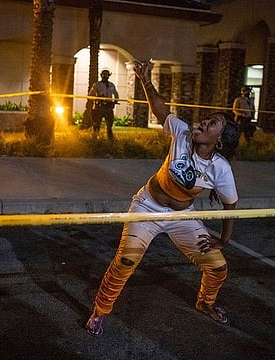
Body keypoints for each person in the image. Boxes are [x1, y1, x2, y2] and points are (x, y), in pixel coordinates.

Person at [85, 59, 240, 336]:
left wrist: (224, 240)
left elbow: (231, 205)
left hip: (182, 218)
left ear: (219, 141)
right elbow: (160, 110)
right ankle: (99, 311)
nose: (204, 121)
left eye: (213, 122)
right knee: (125, 262)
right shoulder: (181, 133)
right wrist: (145, 79)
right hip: (147, 207)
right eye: (209, 118)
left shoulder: (220, 168)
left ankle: (206, 303)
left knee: (217, 266)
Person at [89, 69, 119, 138]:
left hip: (108, 107)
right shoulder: (97, 85)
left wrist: (115, 101)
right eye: (103, 74)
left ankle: (110, 139)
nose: (105, 76)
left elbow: (116, 94)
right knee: (96, 124)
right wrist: (98, 98)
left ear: (109, 76)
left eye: (106, 74)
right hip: (99, 107)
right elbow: (90, 95)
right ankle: (94, 139)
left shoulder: (111, 85)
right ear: (101, 75)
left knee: (109, 124)